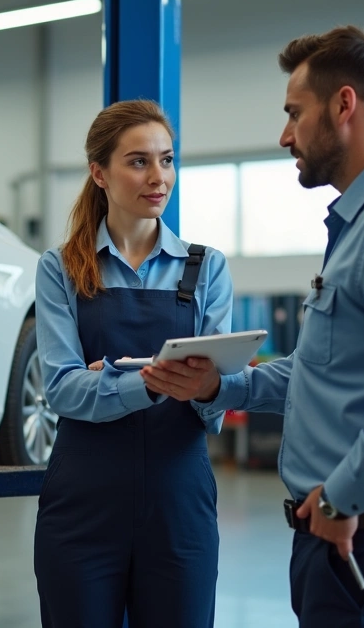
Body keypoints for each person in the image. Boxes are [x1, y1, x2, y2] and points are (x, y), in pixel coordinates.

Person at [143, 25, 364, 626]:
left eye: (294, 113)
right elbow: (326, 372)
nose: (284, 135)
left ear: (344, 104)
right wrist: (220, 386)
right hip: (349, 544)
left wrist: (344, 491)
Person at [32, 99, 235, 628]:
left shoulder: (207, 268)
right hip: (83, 506)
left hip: (179, 504)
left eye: (167, 160)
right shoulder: (61, 269)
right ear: (100, 172)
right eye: (138, 161)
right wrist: (155, 382)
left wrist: (115, 375)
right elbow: (61, 387)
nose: (158, 177)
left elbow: (216, 396)